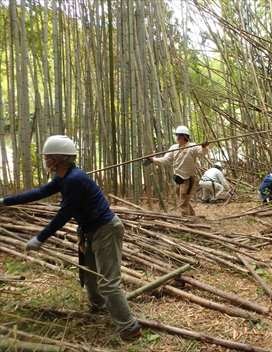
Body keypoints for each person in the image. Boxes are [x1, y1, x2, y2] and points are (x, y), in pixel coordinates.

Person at [0, 135, 141, 341]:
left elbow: (64, 214)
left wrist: (40, 238)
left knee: (109, 283)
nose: (45, 160)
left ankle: (130, 328)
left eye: (48, 157)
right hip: (90, 230)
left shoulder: (75, 179)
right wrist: (5, 201)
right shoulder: (63, 177)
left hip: (106, 229)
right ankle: (99, 306)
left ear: (58, 159)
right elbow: (40, 192)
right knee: (90, 276)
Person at [149, 125, 209, 216]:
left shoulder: (192, 147)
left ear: (185, 136)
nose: (177, 138)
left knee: (183, 200)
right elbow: (166, 160)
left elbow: (201, 152)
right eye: (177, 135)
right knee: (183, 199)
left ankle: (186, 219)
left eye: (179, 135)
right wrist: (154, 160)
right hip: (178, 178)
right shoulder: (174, 147)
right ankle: (192, 215)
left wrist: (204, 147)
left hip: (188, 179)